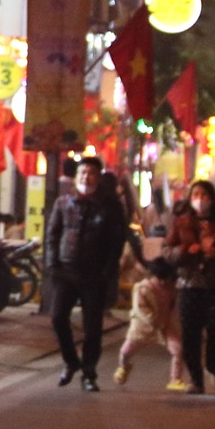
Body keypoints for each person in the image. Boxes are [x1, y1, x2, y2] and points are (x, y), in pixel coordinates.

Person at [42, 157, 127, 391]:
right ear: (75, 176)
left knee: (93, 327)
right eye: (82, 172)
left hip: (94, 274)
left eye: (90, 173)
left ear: (98, 177)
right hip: (66, 271)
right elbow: (52, 235)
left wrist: (108, 271)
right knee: (58, 318)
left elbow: (117, 241)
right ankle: (71, 362)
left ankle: (89, 373)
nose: (85, 177)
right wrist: (53, 265)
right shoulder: (63, 202)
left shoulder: (110, 205)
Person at [166, 179, 215, 393]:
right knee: (190, 334)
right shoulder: (182, 222)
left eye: (204, 194)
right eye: (195, 194)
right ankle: (196, 380)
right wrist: (184, 251)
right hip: (190, 284)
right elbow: (167, 251)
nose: (200, 199)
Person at [114, 259, 183, 388]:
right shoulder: (143, 288)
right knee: (126, 350)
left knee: (177, 349)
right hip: (142, 326)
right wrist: (152, 319)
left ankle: (175, 379)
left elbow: (173, 306)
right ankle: (123, 366)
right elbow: (140, 308)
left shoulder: (172, 288)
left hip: (165, 324)